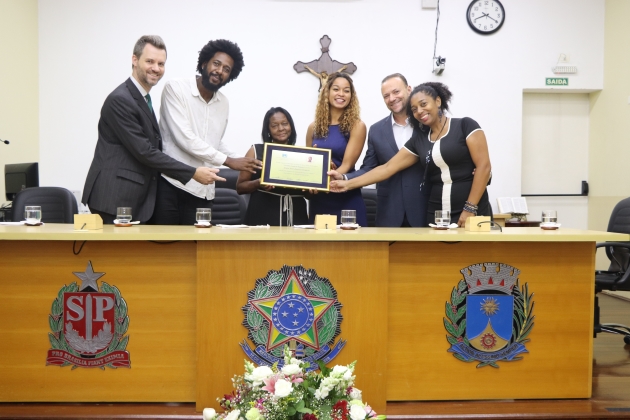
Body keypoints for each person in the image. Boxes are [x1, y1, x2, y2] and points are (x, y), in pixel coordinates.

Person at [82, 35, 222, 224]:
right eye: (150, 61)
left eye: (161, 63)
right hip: (114, 197)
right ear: (134, 60)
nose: (156, 68)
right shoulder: (121, 100)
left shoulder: (142, 98)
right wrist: (192, 172)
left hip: (133, 198)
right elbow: (145, 151)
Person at [329, 82, 491, 227]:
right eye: (414, 109)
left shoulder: (465, 125)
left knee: (476, 259)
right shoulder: (419, 139)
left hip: (470, 210)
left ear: (438, 101)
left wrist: (470, 208)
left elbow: (484, 167)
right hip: (438, 214)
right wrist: (346, 183)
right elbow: (387, 168)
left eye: (423, 104)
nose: (420, 111)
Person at [154, 39, 262, 225]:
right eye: (216, 64)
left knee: (198, 251)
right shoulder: (176, 88)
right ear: (204, 63)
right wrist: (229, 161)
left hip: (203, 192)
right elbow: (185, 138)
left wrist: (248, 162)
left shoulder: (223, 103)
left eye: (226, 69)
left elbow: (214, 141)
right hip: (172, 185)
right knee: (166, 250)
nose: (220, 71)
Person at [330, 73, 428, 227]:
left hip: (424, 208)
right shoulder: (376, 130)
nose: (392, 98)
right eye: (386, 96)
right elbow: (369, 168)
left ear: (409, 89)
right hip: (389, 211)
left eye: (396, 92)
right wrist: (344, 177)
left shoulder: (426, 125)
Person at [306, 72, 368, 226]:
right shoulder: (313, 128)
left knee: (354, 249)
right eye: (336, 89)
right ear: (327, 92)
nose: (341, 94)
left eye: (346, 91)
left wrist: (324, 179)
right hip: (320, 198)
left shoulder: (357, 126)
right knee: (319, 249)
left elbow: (346, 165)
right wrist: (311, 179)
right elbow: (309, 163)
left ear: (351, 96)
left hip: (345, 197)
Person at [236, 107, 309, 226]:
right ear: (268, 130)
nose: (281, 129)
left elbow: (308, 194)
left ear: (291, 126)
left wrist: (313, 188)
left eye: (285, 124)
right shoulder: (255, 151)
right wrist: (259, 183)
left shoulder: (303, 155)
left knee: (296, 245)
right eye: (274, 125)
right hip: (264, 213)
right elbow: (240, 187)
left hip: (296, 214)